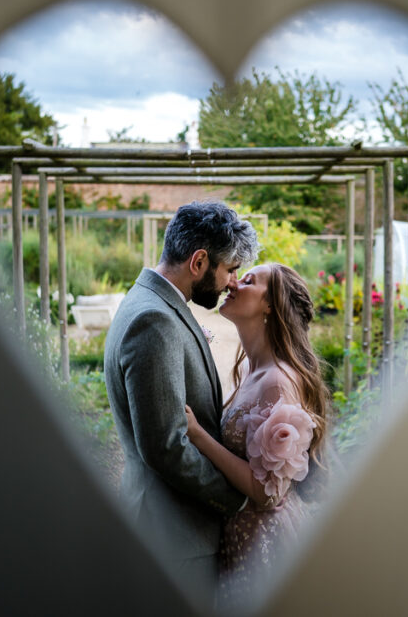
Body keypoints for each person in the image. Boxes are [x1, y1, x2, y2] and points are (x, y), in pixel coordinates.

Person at [104, 201, 260, 600]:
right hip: (173, 537)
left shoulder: (153, 303)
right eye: (228, 269)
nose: (231, 282)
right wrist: (236, 499)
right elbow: (166, 446)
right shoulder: (153, 320)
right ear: (199, 261)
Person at [184, 262, 330, 606]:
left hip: (264, 547)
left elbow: (267, 493)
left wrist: (199, 436)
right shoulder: (252, 368)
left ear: (270, 305)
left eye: (248, 280)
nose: (233, 282)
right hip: (241, 537)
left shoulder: (278, 382)